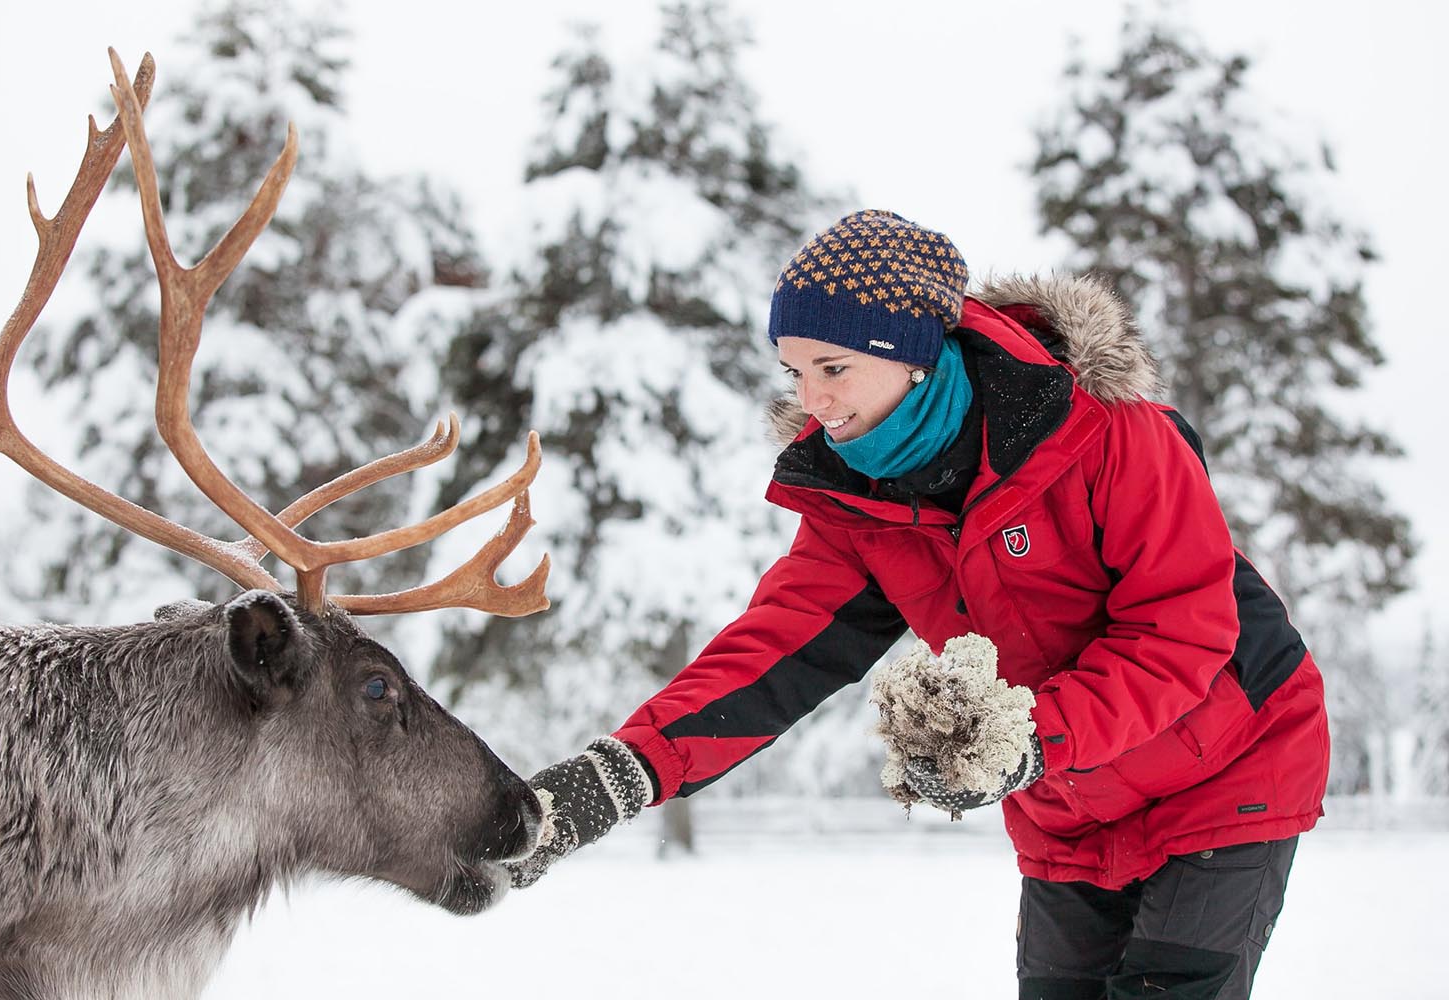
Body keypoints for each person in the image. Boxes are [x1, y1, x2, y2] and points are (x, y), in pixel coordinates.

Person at [507, 209, 1328, 1000]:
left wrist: (1024, 739)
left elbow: (1181, 634)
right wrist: (619, 774)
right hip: (1068, 806)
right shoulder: (861, 499)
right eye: (794, 371)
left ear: (912, 356)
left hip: (1228, 766)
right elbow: (773, 654)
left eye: (834, 368)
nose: (815, 401)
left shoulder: (1111, 436)